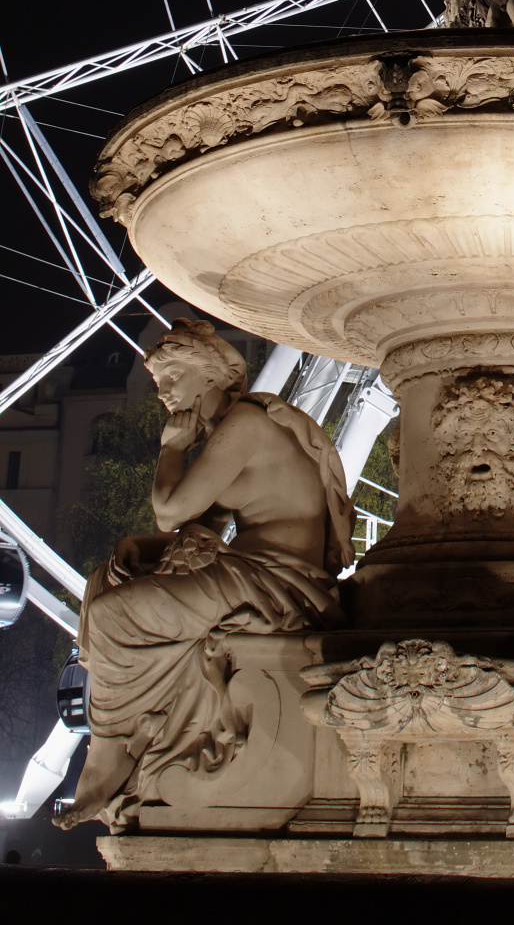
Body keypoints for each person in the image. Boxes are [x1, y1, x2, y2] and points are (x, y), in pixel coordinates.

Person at [55, 320, 355, 829]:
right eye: (159, 384)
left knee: (111, 616)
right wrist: (143, 551)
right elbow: (198, 527)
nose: (166, 393)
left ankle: (107, 758)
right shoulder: (232, 428)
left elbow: (171, 511)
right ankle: (134, 740)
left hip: (276, 582)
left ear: (211, 373)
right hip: (255, 571)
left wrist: (171, 450)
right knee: (109, 578)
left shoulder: (246, 425)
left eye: (173, 377)